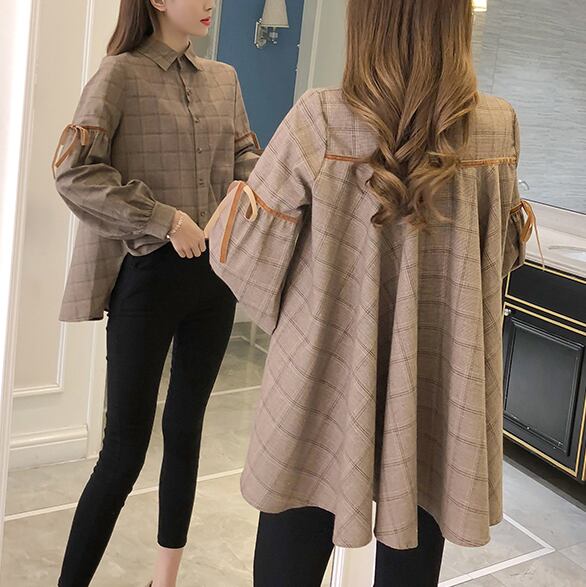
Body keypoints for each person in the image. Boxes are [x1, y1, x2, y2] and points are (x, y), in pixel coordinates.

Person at [204, 0, 535, 585]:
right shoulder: (497, 126)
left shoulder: (319, 118)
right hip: (438, 376)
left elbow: (242, 257)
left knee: (293, 531)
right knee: (418, 529)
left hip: (322, 376)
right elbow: (500, 260)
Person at [52, 1, 259, 585]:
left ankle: (163, 581)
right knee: (123, 449)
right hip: (147, 278)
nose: (211, 3)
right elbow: (74, 172)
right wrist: (165, 219)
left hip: (215, 282)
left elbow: (246, 156)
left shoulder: (224, 78)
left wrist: (242, 189)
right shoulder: (120, 74)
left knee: (186, 431)